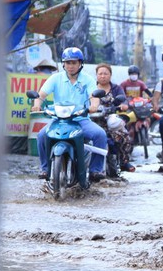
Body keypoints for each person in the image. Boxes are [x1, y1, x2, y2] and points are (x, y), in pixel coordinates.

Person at [31, 47, 108, 182]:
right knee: (42, 136)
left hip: (81, 120)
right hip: (58, 121)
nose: (70, 66)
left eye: (74, 63)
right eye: (68, 63)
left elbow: (93, 95)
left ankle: (95, 170)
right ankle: (45, 169)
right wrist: (37, 104)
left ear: (80, 63)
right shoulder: (55, 78)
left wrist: (94, 105)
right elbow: (41, 94)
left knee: (100, 134)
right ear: (63, 64)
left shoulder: (88, 80)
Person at [94, 63, 136, 173]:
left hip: (111, 119)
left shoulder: (116, 88)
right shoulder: (91, 87)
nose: (103, 76)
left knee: (124, 136)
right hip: (94, 120)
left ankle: (124, 162)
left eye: (105, 74)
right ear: (96, 75)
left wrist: (123, 105)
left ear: (110, 75)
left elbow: (124, 100)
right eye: (100, 74)